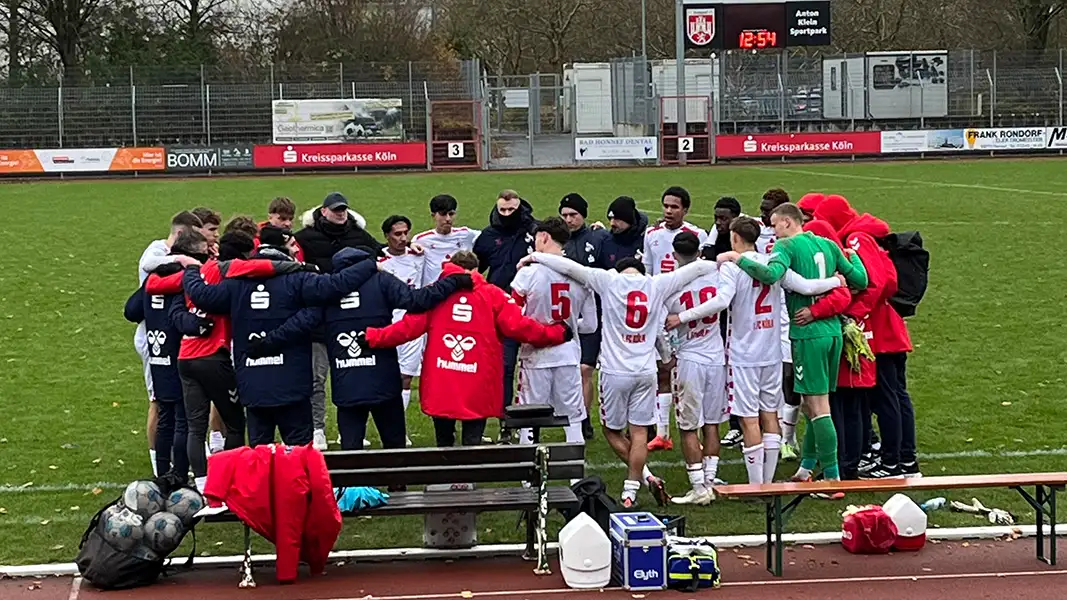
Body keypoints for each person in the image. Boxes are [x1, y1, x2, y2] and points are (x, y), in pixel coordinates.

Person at [520, 249, 721, 509]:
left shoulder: (609, 280)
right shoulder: (657, 283)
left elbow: (570, 267)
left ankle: (644, 481)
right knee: (639, 433)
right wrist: (723, 260)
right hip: (645, 371)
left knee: (611, 431)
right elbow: (694, 269)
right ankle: (632, 489)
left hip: (615, 372)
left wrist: (537, 256)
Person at [667, 218, 846, 489]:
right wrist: (835, 281)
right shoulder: (774, 264)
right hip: (772, 351)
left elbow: (721, 302)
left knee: (749, 417)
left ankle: (756, 485)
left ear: (735, 238)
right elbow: (807, 287)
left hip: (744, 354)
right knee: (769, 414)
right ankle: (769, 482)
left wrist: (682, 317)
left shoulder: (732, 268)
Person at [253, 247, 472, 451]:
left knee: (351, 447)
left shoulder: (329, 288)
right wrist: (451, 282)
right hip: (383, 379)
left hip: (347, 381)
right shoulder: (382, 280)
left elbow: (300, 323)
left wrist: (267, 343)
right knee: (394, 446)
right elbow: (417, 301)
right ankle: (398, 486)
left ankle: (352, 490)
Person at [182, 225, 381, 446]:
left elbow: (201, 296)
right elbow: (336, 285)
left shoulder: (236, 285)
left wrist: (191, 269)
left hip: (254, 386)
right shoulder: (299, 279)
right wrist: (370, 264)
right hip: (292, 385)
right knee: (298, 455)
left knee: (260, 454)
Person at [717, 203, 868, 484]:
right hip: (833, 332)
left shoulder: (785, 248)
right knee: (814, 406)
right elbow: (860, 279)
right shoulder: (827, 245)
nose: (773, 232)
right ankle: (807, 467)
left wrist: (738, 260)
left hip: (807, 333)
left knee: (819, 406)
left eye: (775, 225)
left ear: (787, 222)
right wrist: (854, 257)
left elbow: (772, 275)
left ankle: (833, 478)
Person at [359, 251, 571, 447]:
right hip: (478, 381)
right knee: (472, 441)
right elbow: (520, 327)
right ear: (476, 270)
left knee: (444, 440)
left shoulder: (435, 295)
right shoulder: (493, 295)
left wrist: (372, 337)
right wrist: (557, 333)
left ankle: (446, 475)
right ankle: (467, 480)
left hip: (442, 380)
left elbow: (405, 329)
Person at [144, 227, 268, 491]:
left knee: (194, 426)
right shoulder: (226, 274)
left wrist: (193, 322)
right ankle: (230, 480)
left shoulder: (189, 278)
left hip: (185, 358)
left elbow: (155, 287)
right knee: (235, 422)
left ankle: (201, 485)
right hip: (213, 358)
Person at [814, 195, 918, 479]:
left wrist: (854, 312)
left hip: (881, 332)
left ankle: (894, 462)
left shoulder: (858, 238)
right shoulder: (863, 235)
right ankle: (901, 459)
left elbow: (880, 282)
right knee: (893, 395)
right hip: (885, 328)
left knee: (886, 397)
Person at [294, 192, 383, 450]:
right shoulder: (305, 238)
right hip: (319, 323)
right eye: (335, 210)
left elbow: (381, 254)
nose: (341, 213)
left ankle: (353, 431)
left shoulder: (359, 235)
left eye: (343, 209)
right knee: (316, 379)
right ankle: (317, 428)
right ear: (323, 212)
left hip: (352, 319)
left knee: (354, 375)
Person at [125, 230, 210, 481]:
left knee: (165, 417)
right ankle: (181, 476)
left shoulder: (153, 279)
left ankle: (163, 475)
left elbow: (131, 310)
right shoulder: (186, 280)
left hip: (158, 357)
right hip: (180, 356)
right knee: (184, 421)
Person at [510, 217, 598, 445]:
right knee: (573, 417)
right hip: (568, 355)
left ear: (544, 236)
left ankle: (527, 478)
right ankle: (574, 474)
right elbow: (590, 325)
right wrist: (567, 328)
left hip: (535, 356)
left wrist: (542, 327)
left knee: (527, 417)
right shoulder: (580, 275)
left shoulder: (528, 273)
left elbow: (514, 318)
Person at [657, 232, 727, 505]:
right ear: (699, 252)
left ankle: (698, 487)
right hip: (716, 357)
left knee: (688, 426)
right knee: (712, 423)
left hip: (689, 358)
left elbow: (664, 328)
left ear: (674, 255)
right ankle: (711, 478)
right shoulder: (715, 275)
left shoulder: (671, 286)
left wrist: (666, 357)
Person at [642, 187, 707, 452]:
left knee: (690, 372)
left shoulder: (697, 235)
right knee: (662, 371)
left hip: (687, 311)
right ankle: (662, 432)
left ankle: (696, 431)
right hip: (661, 310)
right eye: (666, 206)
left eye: (674, 207)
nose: (668, 211)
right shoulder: (652, 235)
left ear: (685, 209)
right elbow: (647, 269)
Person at [472, 190, 538, 430]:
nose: (508, 214)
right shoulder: (488, 236)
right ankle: (505, 420)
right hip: (502, 311)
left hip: (534, 308)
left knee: (537, 367)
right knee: (506, 366)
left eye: (512, 210)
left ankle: (564, 421)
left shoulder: (535, 232)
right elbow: (476, 270)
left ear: (520, 207)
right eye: (504, 210)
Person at [559, 193, 609, 439]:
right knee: (567, 368)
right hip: (565, 312)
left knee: (585, 368)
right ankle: (567, 415)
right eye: (565, 215)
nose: (569, 220)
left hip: (593, 311)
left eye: (573, 215)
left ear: (583, 216)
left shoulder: (598, 237)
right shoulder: (557, 242)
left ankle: (584, 417)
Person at [379, 215, 427, 447]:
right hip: (385, 324)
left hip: (411, 325)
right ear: (386, 235)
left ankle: (401, 428)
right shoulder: (377, 259)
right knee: (385, 377)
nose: (402, 238)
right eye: (397, 234)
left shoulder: (418, 256)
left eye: (405, 233)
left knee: (405, 378)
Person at [256, 197, 304, 261]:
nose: (288, 223)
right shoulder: (256, 240)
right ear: (270, 217)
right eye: (282, 219)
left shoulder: (293, 241)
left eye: (290, 219)